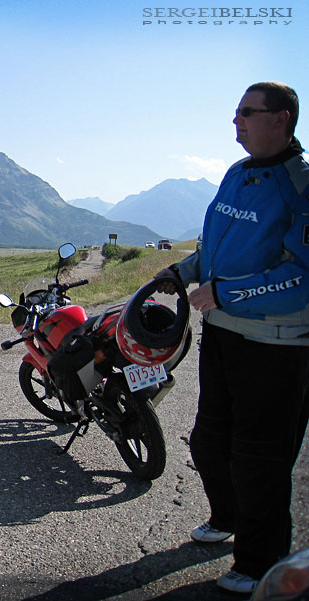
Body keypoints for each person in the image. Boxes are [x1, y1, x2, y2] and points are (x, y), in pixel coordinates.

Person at [155, 82, 309, 594]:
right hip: (222, 337)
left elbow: (301, 278)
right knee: (209, 440)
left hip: (275, 346)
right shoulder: (237, 175)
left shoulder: (302, 184)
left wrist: (226, 295)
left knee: (259, 457)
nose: (236, 121)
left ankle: (262, 561)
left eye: (248, 112)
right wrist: (179, 272)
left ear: (282, 118)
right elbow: (215, 250)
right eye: (236, 113)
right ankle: (227, 517)